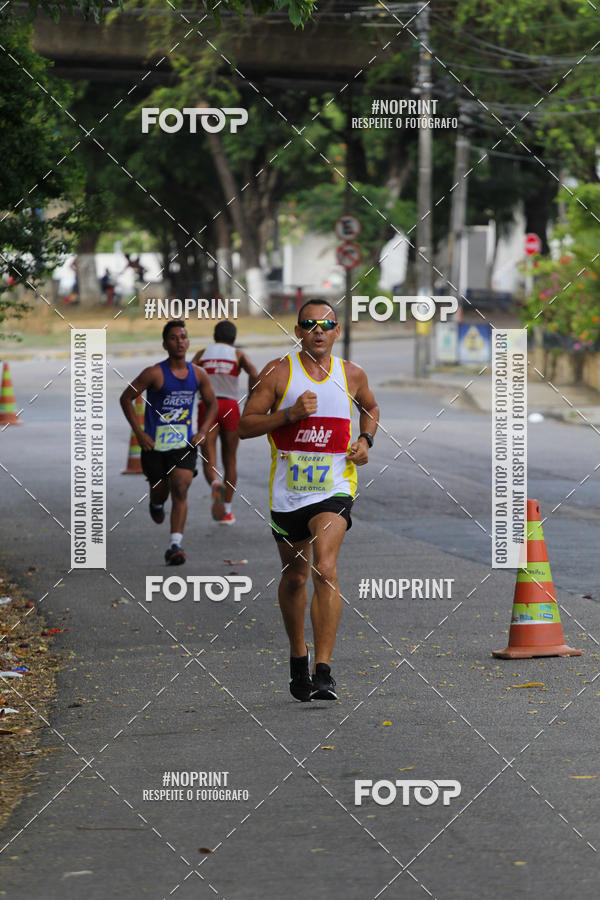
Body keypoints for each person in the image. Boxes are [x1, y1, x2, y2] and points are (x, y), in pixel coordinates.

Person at [239, 301, 379, 701]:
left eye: (327, 324)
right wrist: (289, 415)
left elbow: (370, 407)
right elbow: (245, 425)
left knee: (326, 569)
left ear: (337, 331)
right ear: (298, 331)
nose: (318, 330)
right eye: (309, 324)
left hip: (334, 489)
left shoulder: (352, 374)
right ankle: (298, 656)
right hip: (288, 496)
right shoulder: (278, 372)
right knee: (296, 576)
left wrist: (365, 440)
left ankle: (324, 671)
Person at [120, 321, 217, 565]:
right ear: (165, 344)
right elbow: (126, 398)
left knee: (182, 487)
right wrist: (140, 433)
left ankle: (175, 545)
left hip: (184, 443)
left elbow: (212, 403)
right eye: (174, 338)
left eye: (183, 337)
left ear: (188, 342)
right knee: (161, 492)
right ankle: (155, 502)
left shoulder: (198, 374)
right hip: (154, 445)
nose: (180, 341)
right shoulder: (154, 373)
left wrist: (203, 431)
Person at [192, 321, 258, 525]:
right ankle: (227, 510)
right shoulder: (238, 354)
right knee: (230, 459)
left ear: (214, 335)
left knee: (208, 458)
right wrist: (250, 399)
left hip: (207, 407)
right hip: (230, 407)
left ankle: (214, 483)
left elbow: (189, 374)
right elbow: (255, 374)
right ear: (234, 338)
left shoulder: (202, 354)